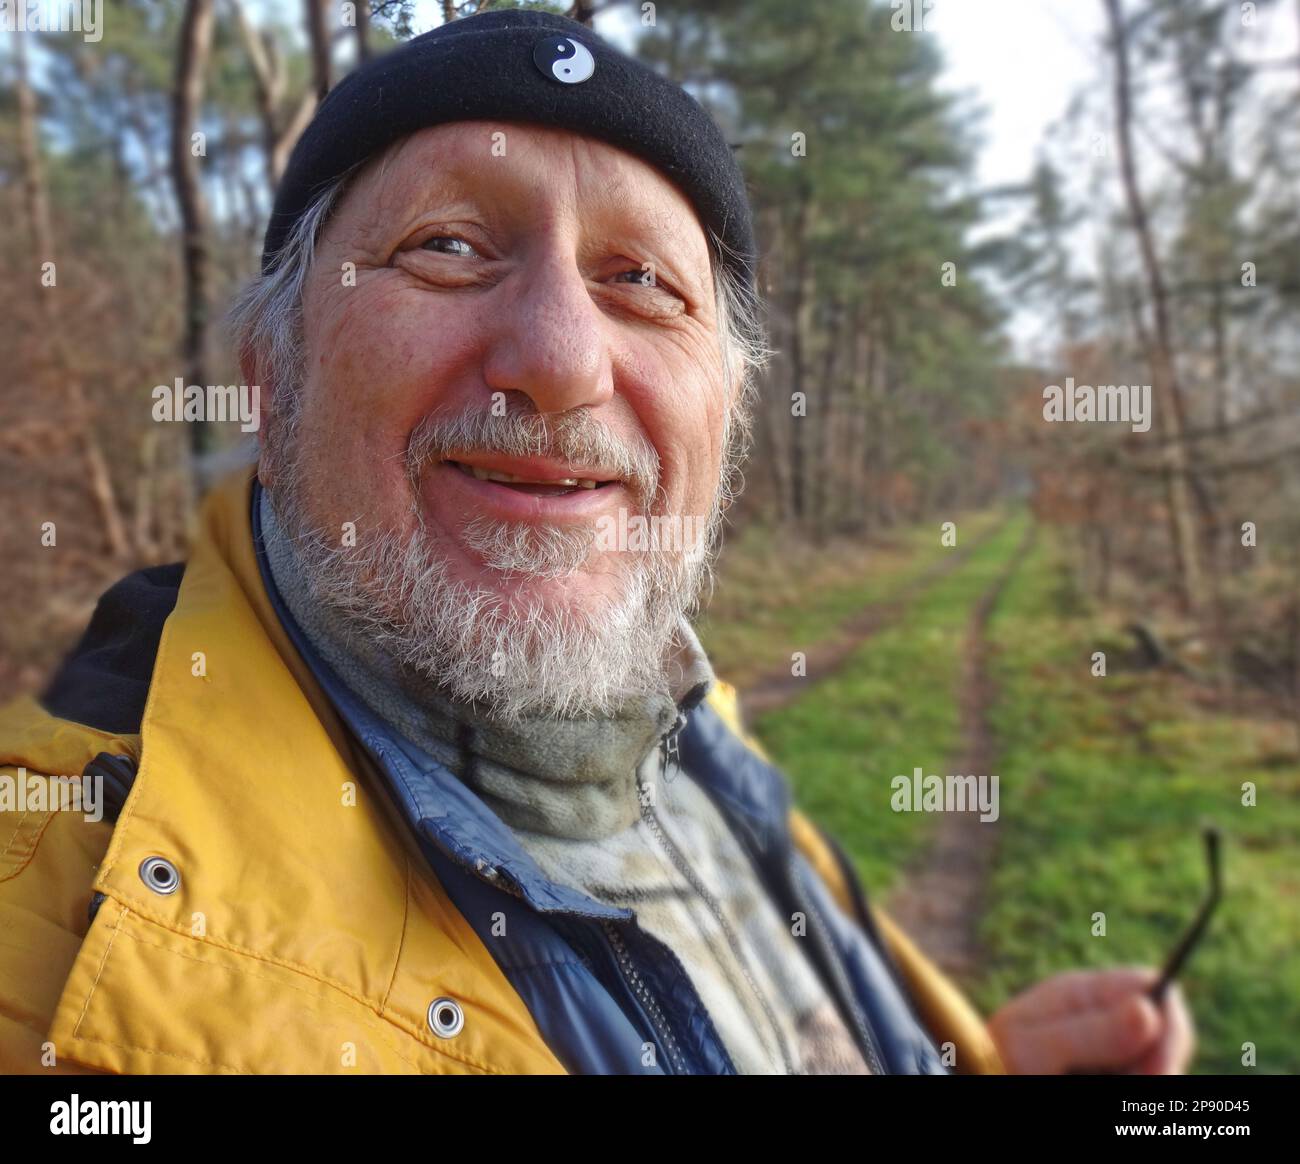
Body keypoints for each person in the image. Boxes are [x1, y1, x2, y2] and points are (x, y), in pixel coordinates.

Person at [0, 8, 1192, 1075]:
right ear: (272, 383)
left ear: (723, 412)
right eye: (448, 246)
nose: (563, 360)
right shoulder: (44, 913)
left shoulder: (680, 723)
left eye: (639, 280)